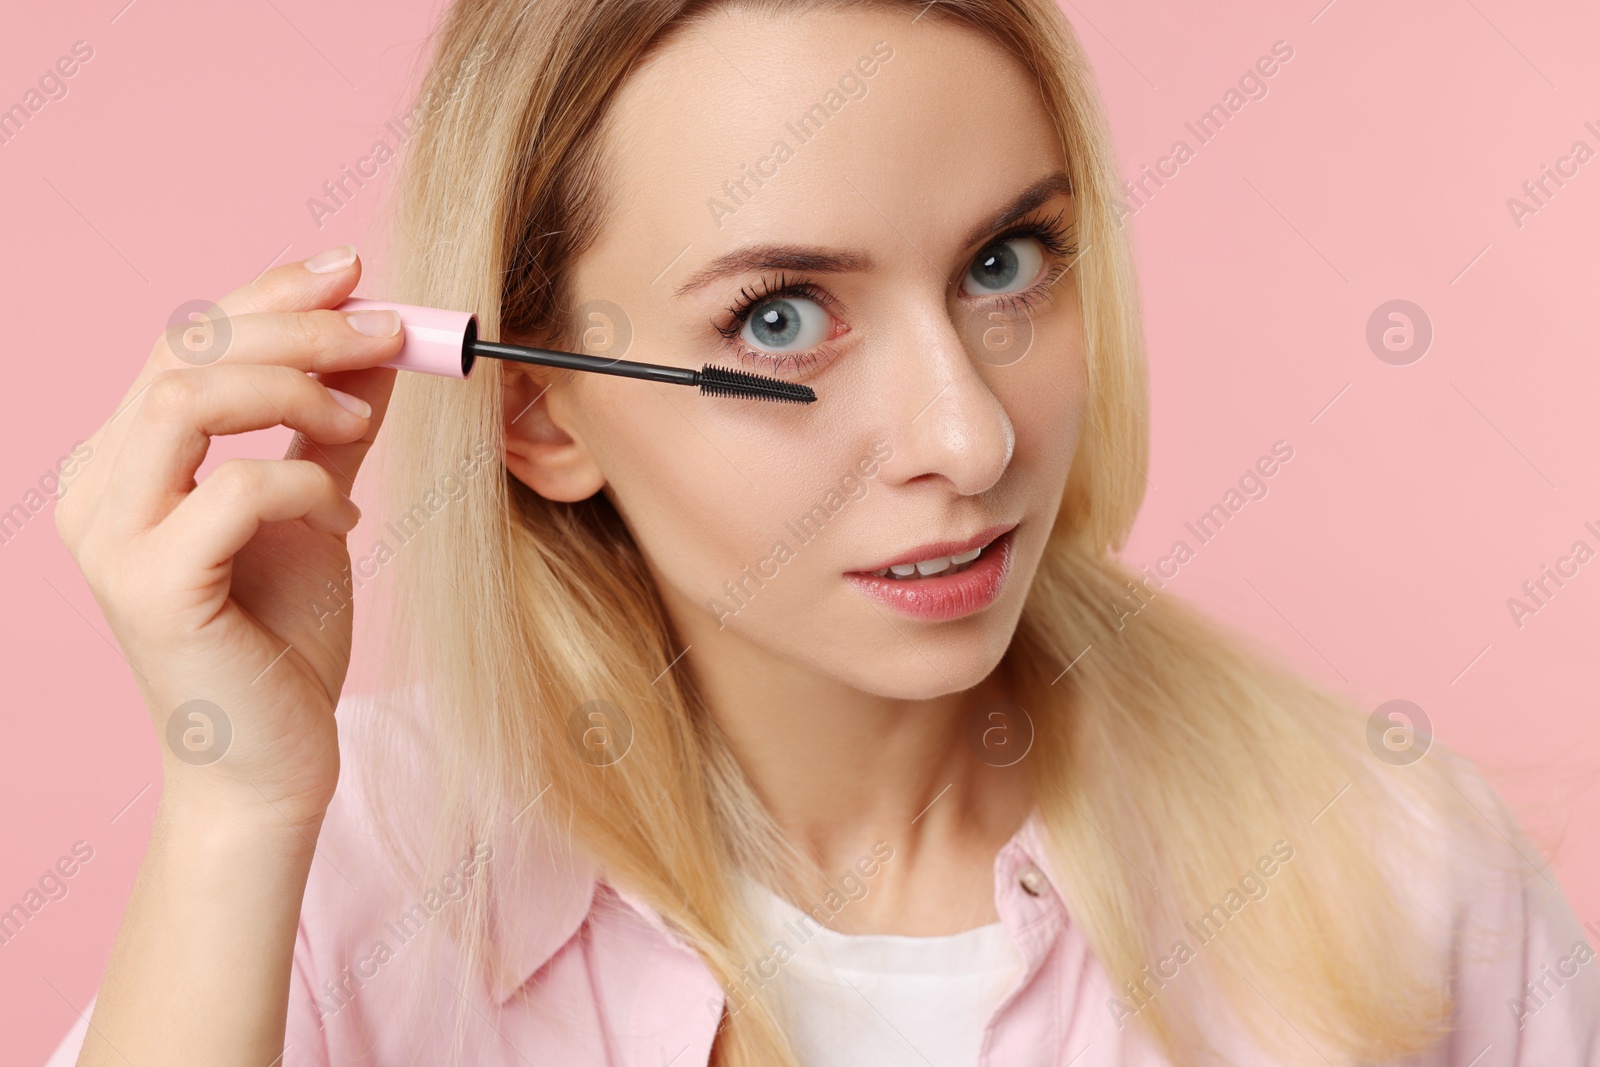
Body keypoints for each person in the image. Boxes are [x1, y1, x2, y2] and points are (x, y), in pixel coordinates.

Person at [51, 0, 1600, 1064]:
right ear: (541, 414)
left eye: (1006, 263)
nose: (968, 438)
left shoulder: (1392, 866)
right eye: (781, 315)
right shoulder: (347, 874)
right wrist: (240, 808)